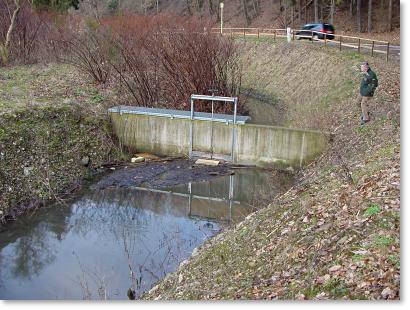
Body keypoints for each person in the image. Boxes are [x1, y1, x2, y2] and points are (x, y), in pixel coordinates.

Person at [358, 61, 378, 125]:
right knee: (357, 102)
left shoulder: (371, 74)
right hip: (362, 92)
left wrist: (367, 91)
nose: (361, 68)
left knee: (363, 103)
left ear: (366, 67)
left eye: (362, 67)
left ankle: (366, 118)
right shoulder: (365, 73)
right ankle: (365, 112)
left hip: (367, 93)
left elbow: (375, 84)